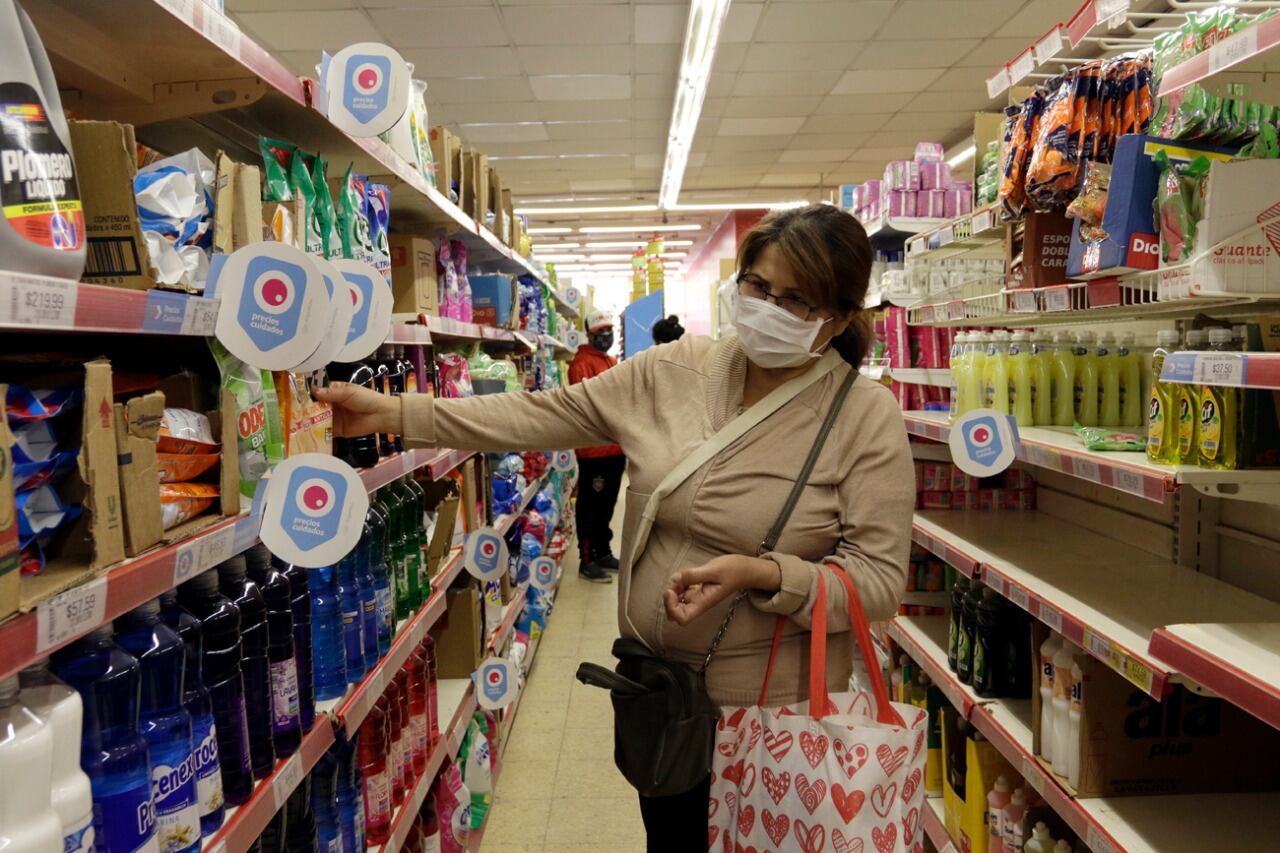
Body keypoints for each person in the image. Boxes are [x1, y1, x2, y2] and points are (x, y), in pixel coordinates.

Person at [315, 203, 914, 851]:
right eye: (758, 286)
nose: (768, 307)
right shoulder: (674, 370)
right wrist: (394, 412)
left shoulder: (863, 416)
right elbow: (541, 414)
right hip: (662, 701)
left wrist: (764, 573)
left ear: (840, 318)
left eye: (796, 301)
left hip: (776, 720)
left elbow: (878, 582)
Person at [567, 309, 626, 584]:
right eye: (600, 332)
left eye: (608, 331)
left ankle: (603, 552)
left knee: (607, 507)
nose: (605, 336)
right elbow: (591, 407)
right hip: (594, 451)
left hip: (614, 449)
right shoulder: (581, 364)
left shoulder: (611, 361)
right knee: (591, 507)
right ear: (589, 335)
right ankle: (587, 559)